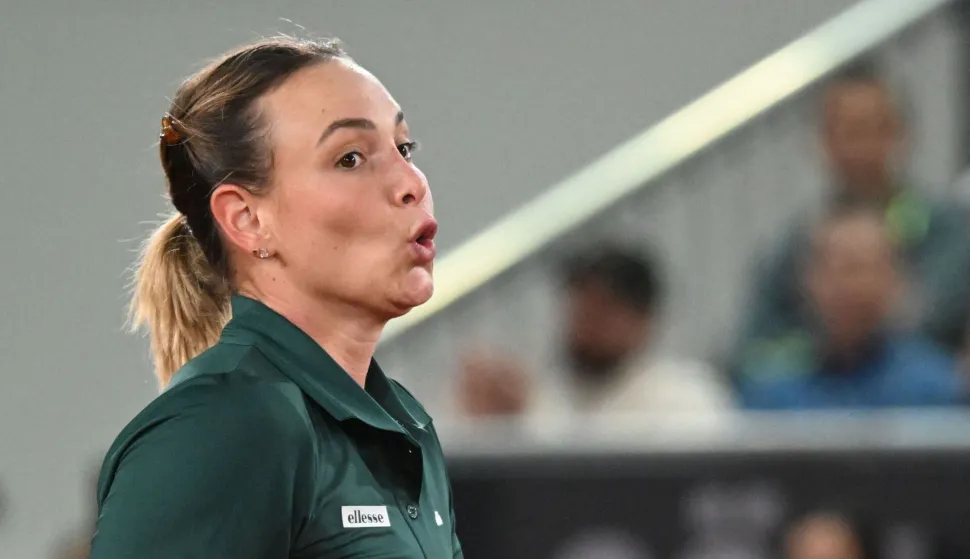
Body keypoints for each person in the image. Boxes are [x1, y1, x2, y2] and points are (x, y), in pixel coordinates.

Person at [90, 36, 462, 558]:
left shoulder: (405, 424)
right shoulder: (224, 427)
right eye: (350, 158)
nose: (410, 182)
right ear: (248, 220)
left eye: (404, 148)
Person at [733, 63, 970, 375]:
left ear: (902, 134)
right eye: (846, 130)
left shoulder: (951, 232)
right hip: (818, 410)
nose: (859, 147)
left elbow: (938, 318)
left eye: (873, 128)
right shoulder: (795, 243)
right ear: (822, 141)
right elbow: (752, 349)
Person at [458, 245, 733, 428]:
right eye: (579, 308)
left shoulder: (685, 397)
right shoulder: (548, 396)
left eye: (603, 309)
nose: (587, 324)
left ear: (643, 321)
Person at [738, 207, 964, 409]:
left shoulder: (937, 388)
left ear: (897, 280)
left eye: (864, 268)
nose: (850, 285)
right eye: (838, 267)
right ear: (808, 280)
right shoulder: (771, 389)